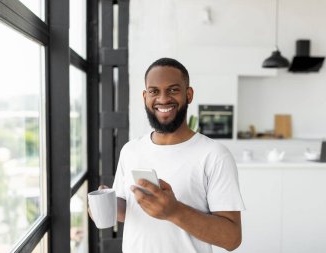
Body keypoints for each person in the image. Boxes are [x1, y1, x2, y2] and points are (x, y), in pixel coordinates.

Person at [98, 57, 245, 253]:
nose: (163, 98)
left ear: (189, 94)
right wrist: (107, 206)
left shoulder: (214, 155)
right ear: (145, 97)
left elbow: (232, 238)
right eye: (154, 91)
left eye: (173, 90)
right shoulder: (130, 150)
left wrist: (174, 211)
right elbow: (132, 210)